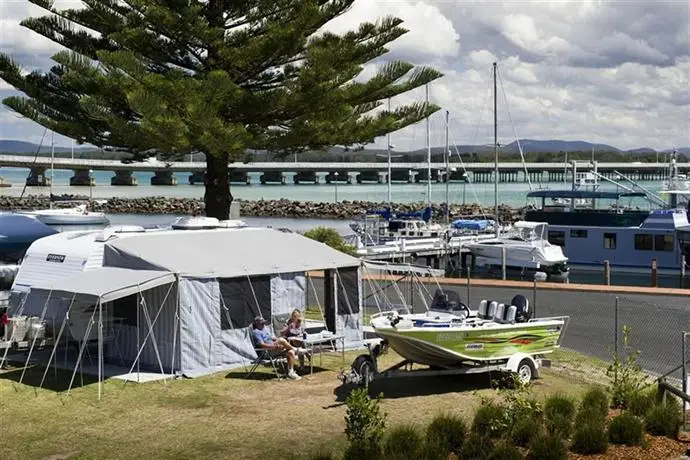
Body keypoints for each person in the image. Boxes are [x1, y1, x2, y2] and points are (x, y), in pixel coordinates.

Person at [252, 316, 301, 380]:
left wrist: (277, 340)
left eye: (264, 323)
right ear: (257, 324)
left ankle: (291, 373)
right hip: (266, 352)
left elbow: (271, 338)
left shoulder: (264, 329)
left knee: (291, 352)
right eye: (262, 323)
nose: (264, 324)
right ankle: (296, 349)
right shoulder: (256, 332)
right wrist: (275, 346)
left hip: (274, 349)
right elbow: (262, 345)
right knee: (281, 340)